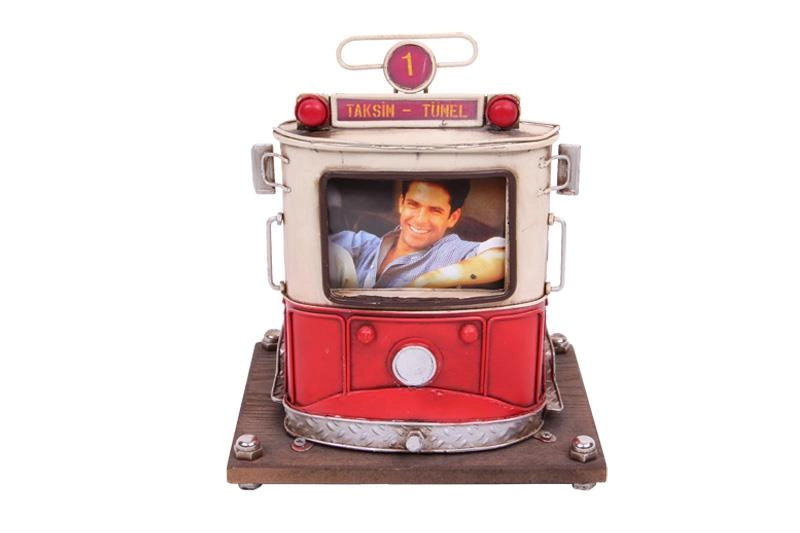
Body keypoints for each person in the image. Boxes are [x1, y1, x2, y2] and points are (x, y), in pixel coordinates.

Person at [329, 179, 505, 289]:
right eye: (413, 205)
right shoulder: (363, 245)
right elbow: (315, 248)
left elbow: (505, 257)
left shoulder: (452, 252)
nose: (420, 220)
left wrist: (428, 281)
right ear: (401, 204)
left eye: (435, 210)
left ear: (453, 218)